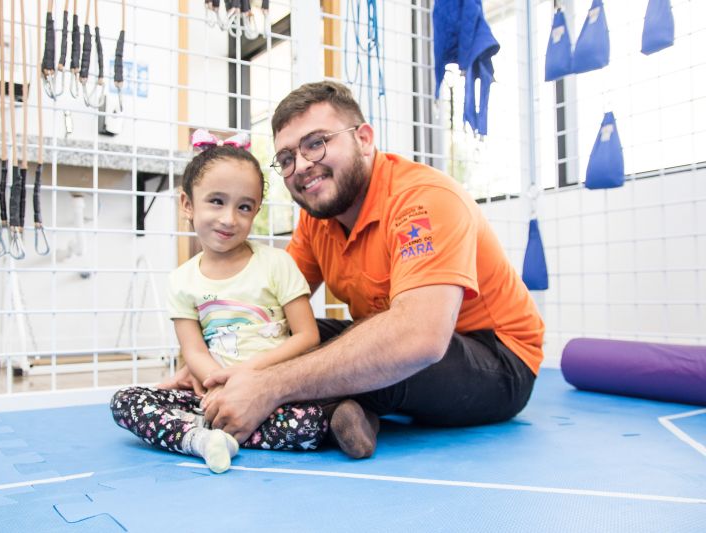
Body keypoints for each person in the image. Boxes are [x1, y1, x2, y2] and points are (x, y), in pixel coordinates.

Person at [198, 81, 545, 449]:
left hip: (497, 362)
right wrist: (214, 360)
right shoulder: (318, 221)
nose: (301, 166)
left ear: (364, 139)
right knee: (278, 335)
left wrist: (269, 384)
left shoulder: (424, 200)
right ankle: (345, 412)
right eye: (286, 159)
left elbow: (419, 338)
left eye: (316, 144)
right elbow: (268, 311)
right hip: (404, 340)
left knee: (386, 347)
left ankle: (326, 408)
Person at [111, 138, 334, 473]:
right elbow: (194, 351)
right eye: (217, 202)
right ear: (187, 204)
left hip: (274, 394)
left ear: (256, 211)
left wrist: (249, 377)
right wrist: (217, 384)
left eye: (244, 207)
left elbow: (306, 336)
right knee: (125, 402)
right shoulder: (182, 281)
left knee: (314, 416)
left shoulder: (277, 264)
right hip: (214, 396)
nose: (229, 219)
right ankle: (201, 439)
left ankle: (225, 431)